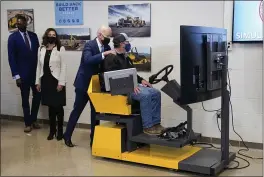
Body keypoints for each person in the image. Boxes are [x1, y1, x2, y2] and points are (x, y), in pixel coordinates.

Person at [63, 26, 116, 147]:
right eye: (107, 37)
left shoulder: (106, 47)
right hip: (83, 84)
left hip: (96, 85)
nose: (109, 40)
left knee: (95, 113)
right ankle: (67, 135)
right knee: (77, 110)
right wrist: (104, 54)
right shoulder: (89, 45)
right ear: (99, 35)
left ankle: (94, 139)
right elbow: (87, 60)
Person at [102, 33, 164, 135]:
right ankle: (148, 126)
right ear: (122, 44)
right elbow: (112, 79)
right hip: (119, 89)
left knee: (156, 93)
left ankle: (156, 123)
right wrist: (130, 86)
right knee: (145, 95)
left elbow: (131, 73)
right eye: (127, 42)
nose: (128, 44)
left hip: (130, 85)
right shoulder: (111, 58)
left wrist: (142, 80)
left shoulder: (125, 57)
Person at [7, 15, 41, 133]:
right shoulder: (13, 38)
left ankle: (34, 119)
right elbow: (11, 58)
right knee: (25, 99)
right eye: (18, 23)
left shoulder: (33, 36)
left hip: (35, 74)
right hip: (22, 76)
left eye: (22, 22)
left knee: (37, 98)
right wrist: (16, 76)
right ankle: (27, 123)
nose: (19, 24)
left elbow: (38, 55)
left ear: (26, 23)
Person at [35, 28, 66, 141]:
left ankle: (60, 131)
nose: (52, 36)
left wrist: (61, 83)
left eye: (54, 35)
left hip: (57, 81)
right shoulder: (41, 49)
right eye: (49, 34)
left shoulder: (60, 48)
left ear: (56, 37)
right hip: (46, 80)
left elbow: (64, 67)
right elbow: (39, 66)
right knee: (50, 107)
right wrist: (37, 82)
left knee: (58, 107)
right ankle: (52, 131)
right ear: (46, 36)